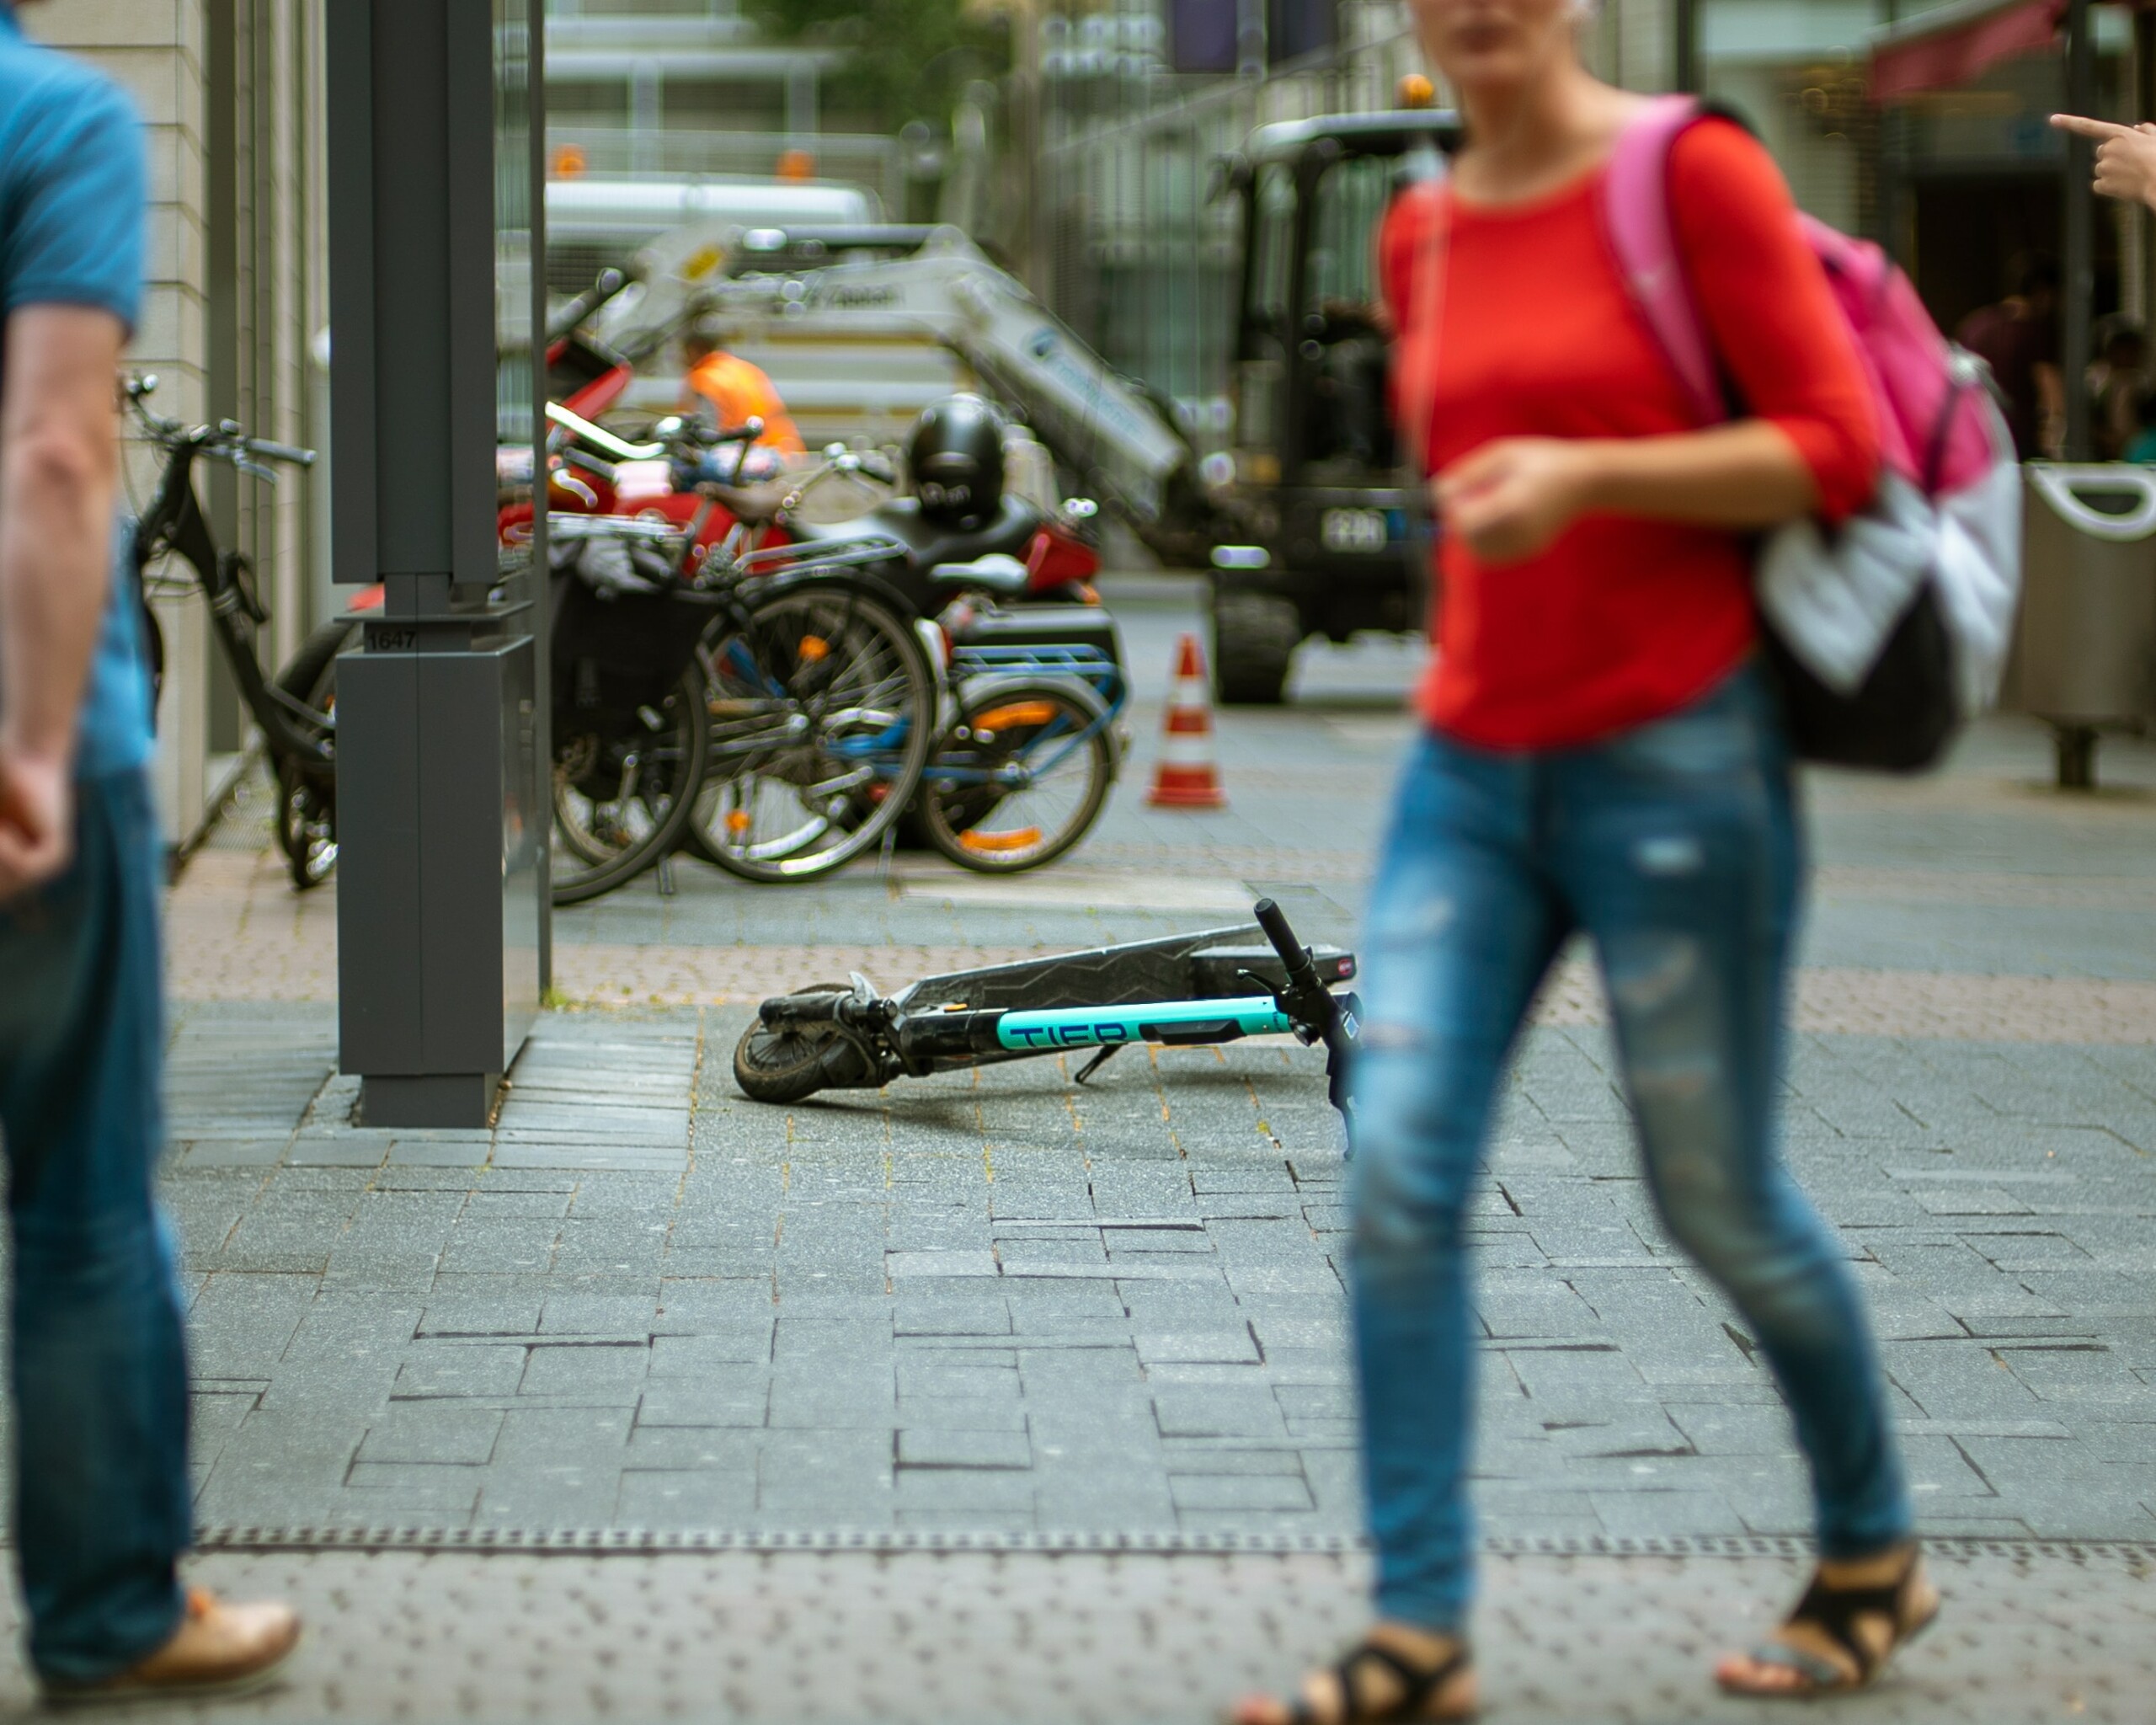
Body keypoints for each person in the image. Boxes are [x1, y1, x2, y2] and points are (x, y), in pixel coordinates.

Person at [1230, 0, 1931, 1718]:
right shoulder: (1419, 228)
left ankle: (1868, 1550)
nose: (1472, 8)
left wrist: (1585, 480)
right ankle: (1417, 1629)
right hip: (1469, 771)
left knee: (1711, 1193)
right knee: (1395, 1173)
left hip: (1678, 767)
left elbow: (1834, 444)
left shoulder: (1687, 172)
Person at [0, 0, 299, 1700]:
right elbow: (51, 450)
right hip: (39, 747)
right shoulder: (54, 121)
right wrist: (30, 745)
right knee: (81, 1197)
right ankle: (111, 1608)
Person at [1955, 255, 2063, 461]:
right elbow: (2051, 390)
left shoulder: (1974, 325)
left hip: (1972, 436)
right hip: (2016, 440)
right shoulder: (2034, 330)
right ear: (2043, 292)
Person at [679, 326, 805, 456]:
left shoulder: (704, 378)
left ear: (696, 350)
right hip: (778, 451)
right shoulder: (747, 369)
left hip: (741, 455)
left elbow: (707, 431)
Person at [2088, 316, 2147, 462]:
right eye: (2122, 349)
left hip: (2132, 452)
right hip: (2097, 452)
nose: (2127, 356)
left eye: (2132, 350)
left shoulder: (2139, 382)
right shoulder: (2095, 378)